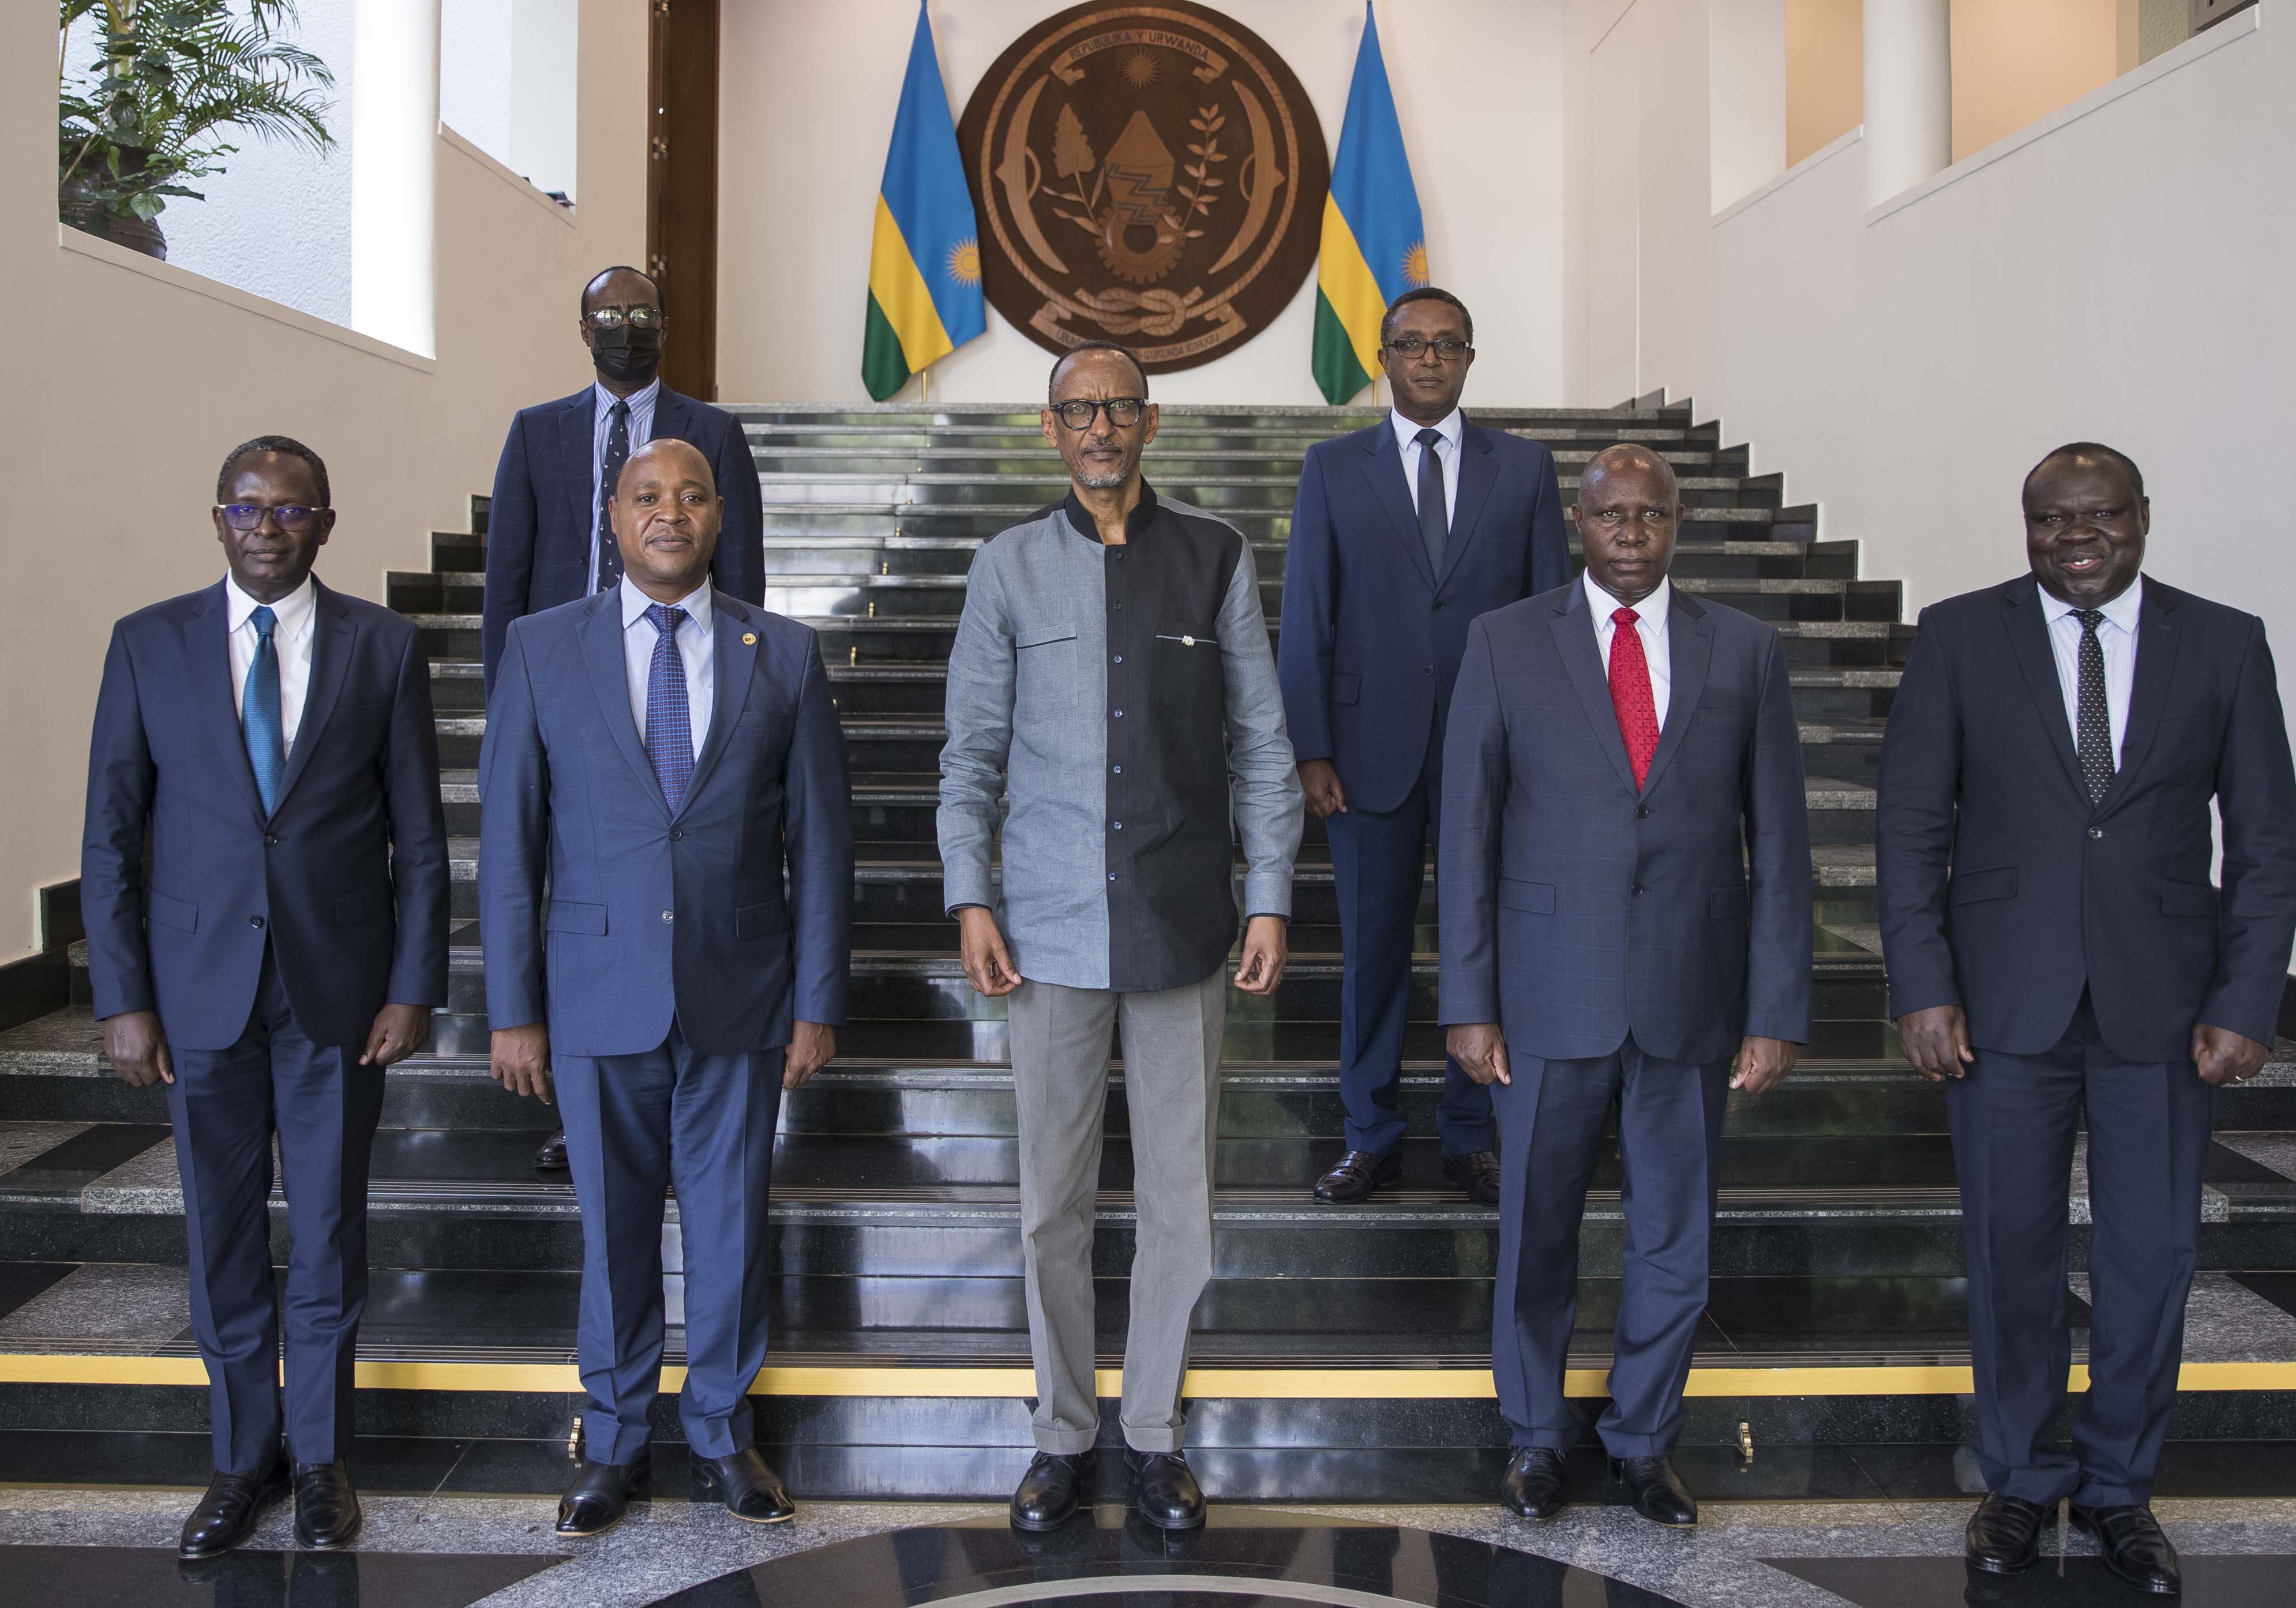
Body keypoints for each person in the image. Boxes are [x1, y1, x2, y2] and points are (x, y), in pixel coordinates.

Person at [1877, 444, 2296, 1595]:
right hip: (2001, 1003)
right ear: (2025, 525)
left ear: (2141, 518)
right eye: (2050, 517)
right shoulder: (1962, 636)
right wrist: (1920, 981)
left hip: (2163, 1009)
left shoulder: (2224, 641)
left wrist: (2246, 994)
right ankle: (2018, 1475)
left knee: (2150, 1257)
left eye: (2099, 513)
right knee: (2010, 1253)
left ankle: (2118, 1487)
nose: (2075, 534)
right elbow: (1909, 824)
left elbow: (2263, 843)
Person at [939, 341, 1303, 1534]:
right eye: (1076, 409)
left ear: (1151, 422)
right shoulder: (1005, 568)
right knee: (1051, 1201)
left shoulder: (1215, 556)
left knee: (1178, 1202)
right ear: (1050, 430)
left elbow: (1261, 741)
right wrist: (971, 896)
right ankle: (1059, 1433)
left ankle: (1152, 1433)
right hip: (1041, 931)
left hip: (1185, 920)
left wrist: (1268, 895)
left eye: (1118, 407)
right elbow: (969, 759)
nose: (1099, 426)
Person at [82, 437, 450, 1558]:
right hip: (197, 993)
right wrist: (121, 996)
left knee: (332, 1229)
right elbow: (109, 836)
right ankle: (244, 1459)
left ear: (325, 523)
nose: (267, 526)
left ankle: (322, 1458)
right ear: (217, 517)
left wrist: (413, 985)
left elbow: (422, 842)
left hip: (337, 993)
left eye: (291, 510)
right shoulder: (147, 644)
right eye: (248, 506)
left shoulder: (382, 646)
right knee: (223, 1232)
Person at [479, 437, 852, 1537]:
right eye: (648, 495)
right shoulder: (545, 649)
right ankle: (613, 1435)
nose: (670, 512)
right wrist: (514, 1009)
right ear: (612, 516)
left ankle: (723, 1434)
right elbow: (510, 845)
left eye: (692, 495)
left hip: (741, 990)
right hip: (595, 988)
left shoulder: (781, 651)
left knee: (731, 1221)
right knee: (616, 1224)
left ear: (720, 516)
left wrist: (816, 1000)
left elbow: (821, 847)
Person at [1439, 444, 1810, 1528]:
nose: (1633, 533)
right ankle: (1536, 1437)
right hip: (1548, 995)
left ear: (1678, 521)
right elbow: (1465, 835)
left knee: (1673, 1237)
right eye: (1614, 517)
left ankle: (1644, 1441)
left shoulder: (1744, 650)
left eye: (1653, 515)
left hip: (1692, 993)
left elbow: (1780, 846)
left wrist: (1776, 1007)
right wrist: (1470, 999)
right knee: (1536, 1231)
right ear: (1581, 523)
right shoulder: (1506, 644)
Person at [1278, 287, 1567, 1207]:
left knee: (1486, 942)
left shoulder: (1523, 471)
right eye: (1412, 344)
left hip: (1499, 750)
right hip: (1367, 753)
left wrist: (1550, 748)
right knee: (1373, 948)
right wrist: (1310, 747)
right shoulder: (1333, 468)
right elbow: (1306, 616)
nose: (1430, 359)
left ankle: (1470, 1133)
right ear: (1383, 357)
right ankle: (1369, 1135)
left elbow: (1559, 620)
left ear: (1471, 359)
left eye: (1448, 345)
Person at [483, 265, 765, 1173]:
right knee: (580, 899)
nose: (624, 327)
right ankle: (588, 1107)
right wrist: (508, 721)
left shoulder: (715, 433)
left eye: (641, 313)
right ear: (581, 327)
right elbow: (505, 585)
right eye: (608, 314)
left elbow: (747, 582)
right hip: (570, 700)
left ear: (666, 324)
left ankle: (679, 1109)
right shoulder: (536, 434)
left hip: (682, 681)